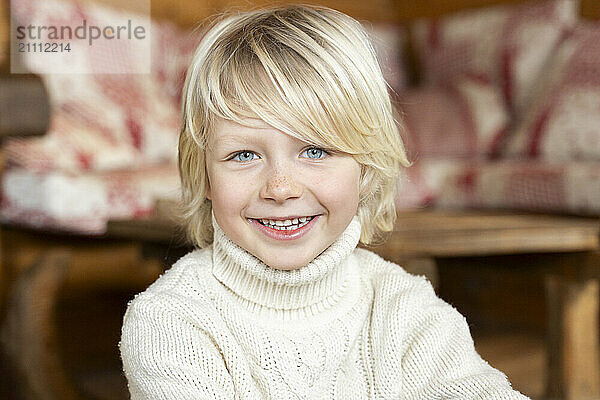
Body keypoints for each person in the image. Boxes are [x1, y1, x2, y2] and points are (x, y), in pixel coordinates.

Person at [120, 4, 530, 399]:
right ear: (205, 174)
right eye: (243, 155)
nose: (280, 188)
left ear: (366, 167)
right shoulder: (170, 320)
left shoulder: (403, 307)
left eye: (315, 151)